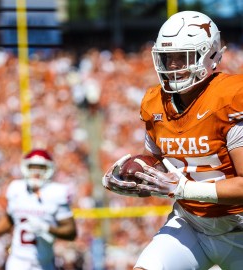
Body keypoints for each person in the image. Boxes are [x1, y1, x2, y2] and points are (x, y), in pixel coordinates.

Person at [102, 10, 243, 270]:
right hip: (191, 224)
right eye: (168, 58)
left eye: (182, 56)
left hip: (238, 228)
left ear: (209, 55)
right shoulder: (155, 104)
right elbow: (157, 163)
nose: (174, 65)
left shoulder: (230, 98)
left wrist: (184, 190)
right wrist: (137, 178)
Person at [0, 148, 77, 270]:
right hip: (17, 261)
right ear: (25, 168)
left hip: (43, 264)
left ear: (49, 169)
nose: (36, 172)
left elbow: (71, 232)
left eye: (41, 167)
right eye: (32, 167)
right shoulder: (16, 189)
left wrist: (46, 228)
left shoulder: (56, 193)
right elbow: (10, 219)